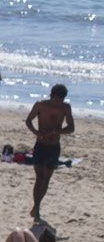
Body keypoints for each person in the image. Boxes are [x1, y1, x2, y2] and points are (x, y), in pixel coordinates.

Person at [24, 84, 73, 219]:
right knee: (39, 177)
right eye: (57, 99)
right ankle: (37, 208)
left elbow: (71, 127)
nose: (59, 102)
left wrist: (59, 131)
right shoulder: (40, 105)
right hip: (40, 145)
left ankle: (36, 206)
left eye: (61, 100)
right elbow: (28, 120)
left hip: (54, 147)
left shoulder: (65, 108)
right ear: (51, 96)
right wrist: (35, 132)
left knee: (46, 179)